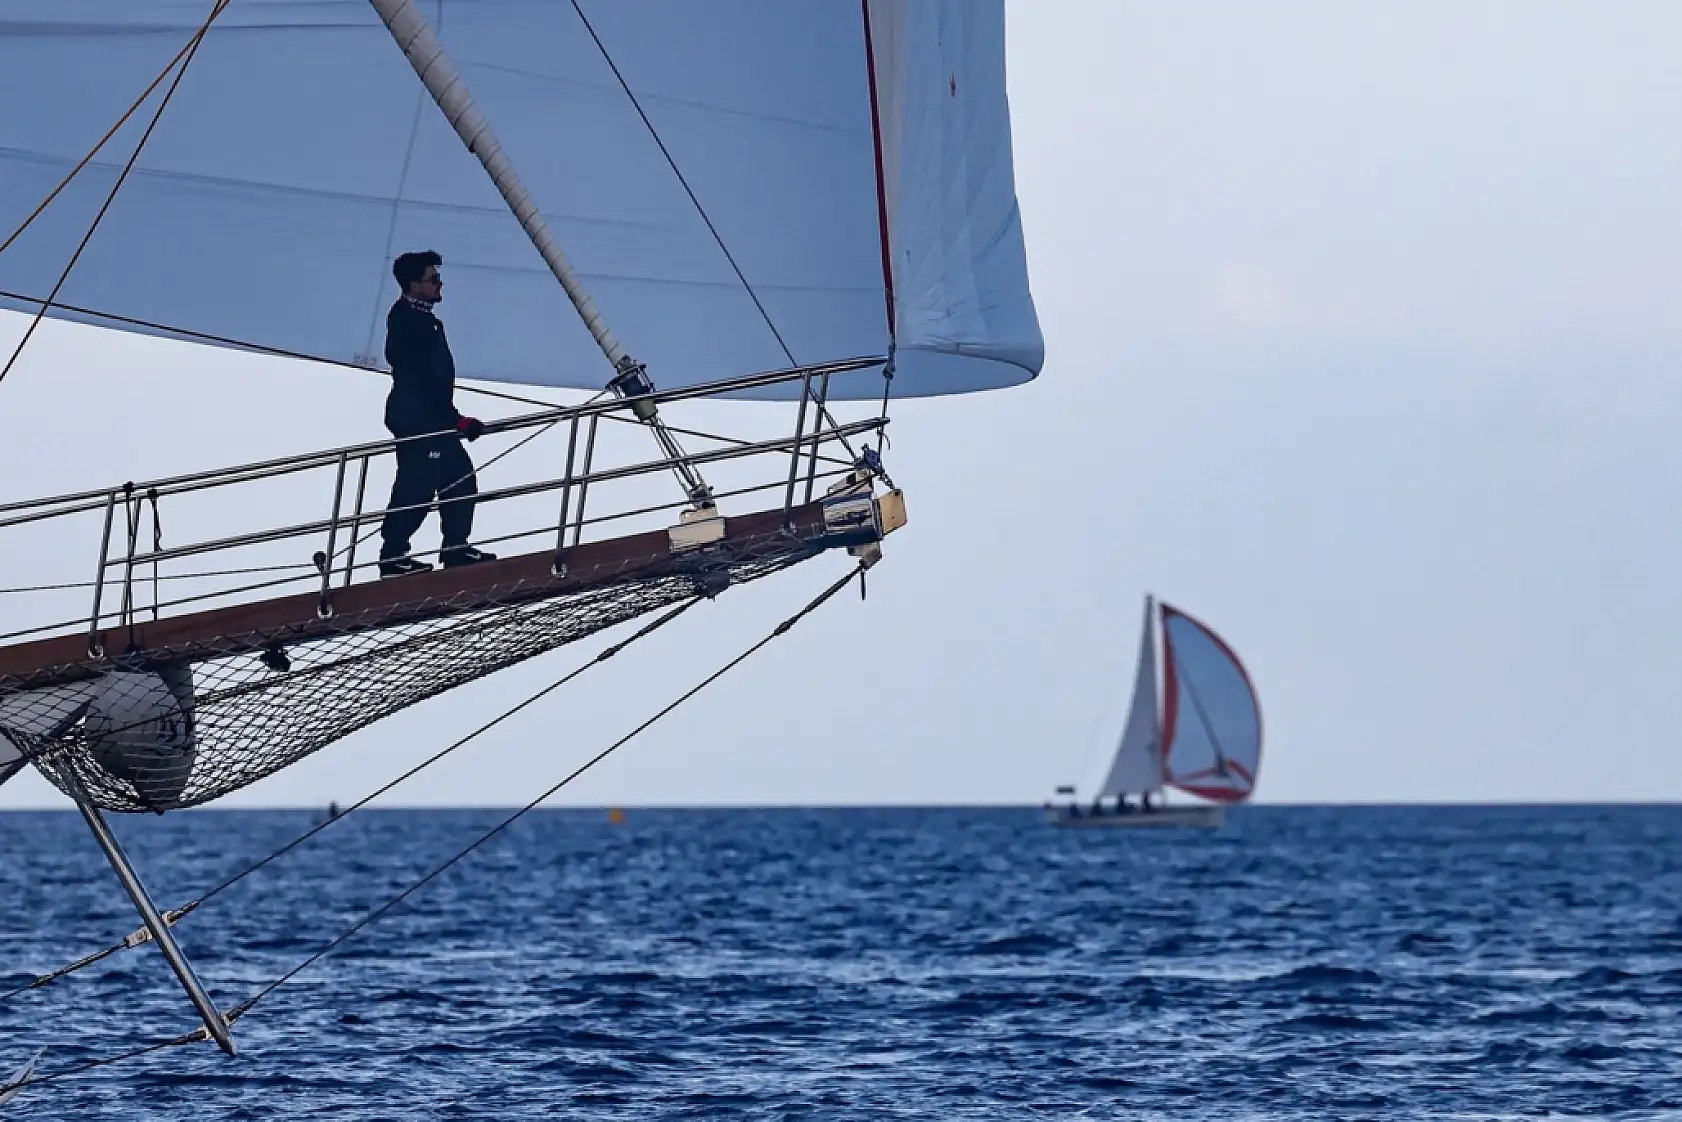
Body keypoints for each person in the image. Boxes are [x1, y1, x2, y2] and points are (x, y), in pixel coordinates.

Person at [378, 250, 497, 577]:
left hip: (432, 418)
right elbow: (421, 378)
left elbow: (433, 381)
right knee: (416, 484)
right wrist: (453, 420)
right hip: (418, 420)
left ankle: (455, 548)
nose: (439, 284)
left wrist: (453, 418)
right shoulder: (408, 320)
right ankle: (392, 556)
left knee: (459, 478)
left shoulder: (426, 320)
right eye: (433, 279)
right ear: (414, 285)